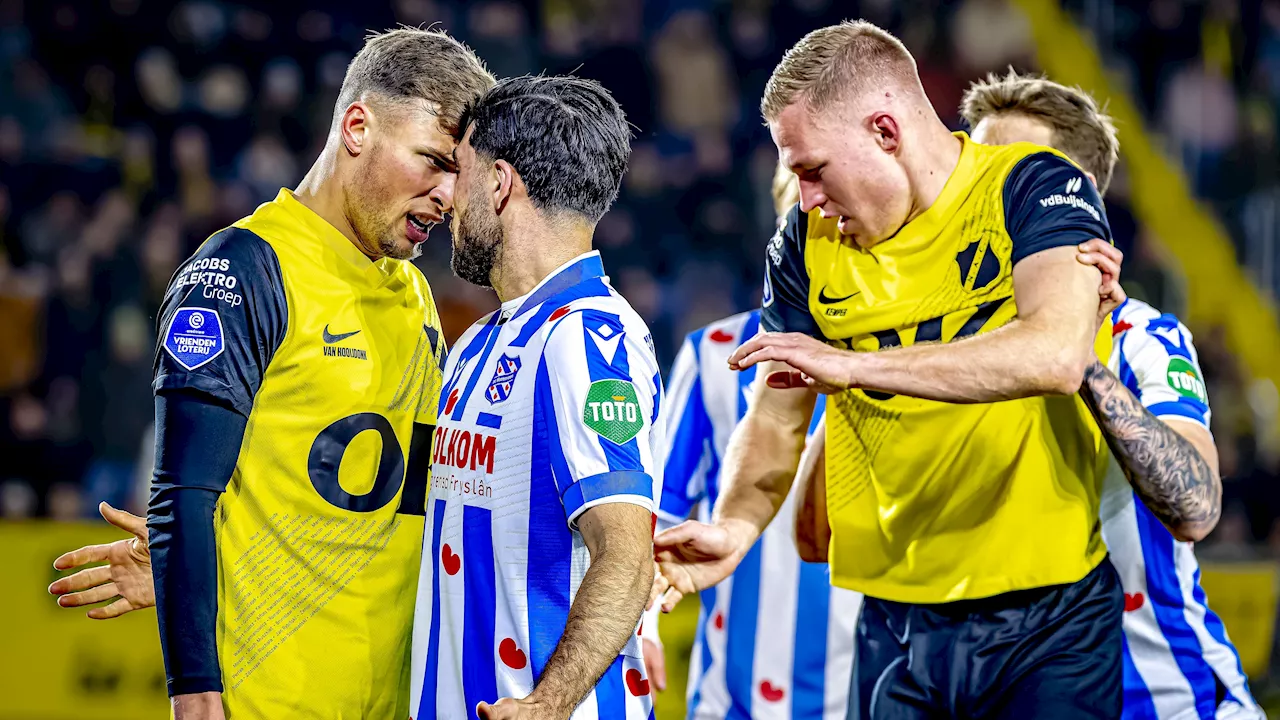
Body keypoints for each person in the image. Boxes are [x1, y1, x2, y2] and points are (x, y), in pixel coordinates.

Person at [651, 21, 1126, 719]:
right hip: (894, 623)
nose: (804, 196)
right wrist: (736, 526)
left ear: (885, 130)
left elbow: (1055, 354)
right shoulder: (803, 245)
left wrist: (851, 367)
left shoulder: (1033, 186)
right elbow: (778, 414)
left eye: (813, 168)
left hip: (1047, 617)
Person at [48, 28, 495, 719]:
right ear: (356, 127)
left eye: (457, 177)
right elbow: (183, 496)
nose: (446, 196)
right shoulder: (242, 273)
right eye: (432, 162)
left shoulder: (414, 297)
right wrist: (194, 692)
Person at [962, 70, 1257, 720]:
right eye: (973, 168)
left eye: (1009, 175)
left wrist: (1081, 366)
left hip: (1164, 700)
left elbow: (1197, 506)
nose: (977, 193)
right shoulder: (939, 349)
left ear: (1077, 203)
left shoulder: (1140, 340)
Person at [409, 75, 660, 720]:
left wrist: (548, 704)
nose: (445, 199)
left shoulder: (586, 336)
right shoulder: (480, 342)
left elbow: (626, 552)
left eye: (458, 173)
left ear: (499, 183)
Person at [639, 163, 859, 719]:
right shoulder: (714, 352)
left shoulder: (902, 353)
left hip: (867, 686)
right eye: (798, 200)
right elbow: (653, 517)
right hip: (730, 699)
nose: (814, 216)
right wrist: (636, 623)